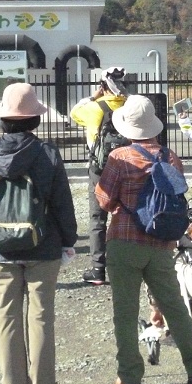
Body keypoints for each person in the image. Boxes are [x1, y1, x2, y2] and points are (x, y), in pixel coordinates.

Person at [95, 95, 192, 384]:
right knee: (173, 307)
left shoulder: (119, 157)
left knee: (124, 311)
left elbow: (105, 201)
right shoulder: (171, 157)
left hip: (124, 240)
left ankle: (130, 376)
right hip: (161, 241)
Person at [0, 83, 77, 384]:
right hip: (43, 244)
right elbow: (62, 202)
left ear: (4, 119)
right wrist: (69, 241)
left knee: (7, 316)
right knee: (42, 316)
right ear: (34, 120)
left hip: (1, 247)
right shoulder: (47, 153)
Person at [69, 66, 128, 285]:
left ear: (103, 86)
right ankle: (124, 265)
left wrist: (94, 96)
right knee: (124, 215)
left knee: (98, 218)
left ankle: (98, 269)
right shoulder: (129, 105)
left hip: (100, 169)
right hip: (126, 167)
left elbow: (74, 113)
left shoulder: (94, 108)